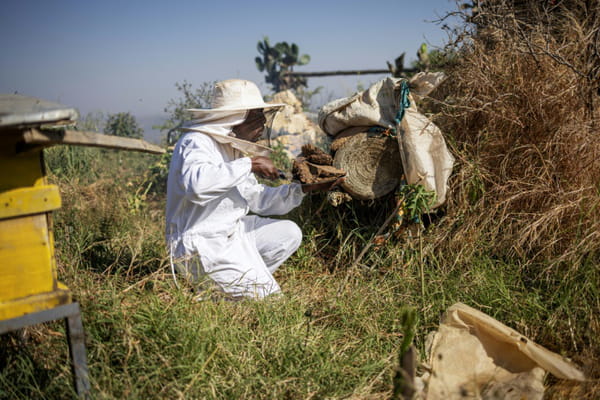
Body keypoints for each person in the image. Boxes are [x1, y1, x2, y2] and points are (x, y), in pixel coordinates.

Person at [166, 79, 340, 299]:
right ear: (236, 118)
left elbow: (258, 199)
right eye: (258, 118)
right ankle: (226, 291)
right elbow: (196, 186)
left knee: (288, 233)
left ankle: (232, 289)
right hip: (201, 245)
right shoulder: (196, 142)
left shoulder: (232, 150)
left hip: (232, 234)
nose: (263, 126)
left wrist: (302, 189)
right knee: (271, 302)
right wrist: (250, 164)